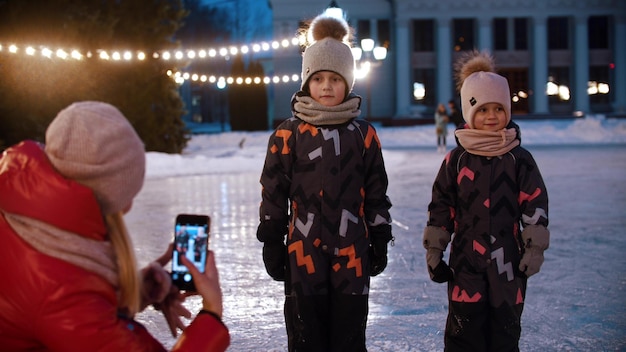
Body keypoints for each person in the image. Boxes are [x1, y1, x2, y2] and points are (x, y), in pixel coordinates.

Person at [0, 101, 230, 351]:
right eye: (127, 194)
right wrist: (212, 312)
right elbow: (71, 304)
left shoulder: (21, 217)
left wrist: (134, 290)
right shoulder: (64, 296)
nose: (129, 206)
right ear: (106, 193)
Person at [256, 14, 393, 352]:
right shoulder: (288, 134)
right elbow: (274, 192)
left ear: (348, 81)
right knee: (306, 336)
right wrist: (272, 240)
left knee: (348, 334)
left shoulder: (363, 135)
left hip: (353, 252)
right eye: (319, 79)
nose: (327, 86)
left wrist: (379, 236)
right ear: (307, 82)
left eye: (335, 78)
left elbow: (376, 191)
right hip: (303, 251)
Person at [422, 51, 549, 351]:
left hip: (509, 262)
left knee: (505, 332)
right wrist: (434, 249)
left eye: (498, 109)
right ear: (469, 113)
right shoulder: (456, 160)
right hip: (466, 262)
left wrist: (535, 249)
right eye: (482, 109)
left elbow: (535, 205)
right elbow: (441, 207)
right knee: (464, 332)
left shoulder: (520, 159)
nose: (491, 116)